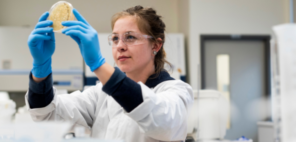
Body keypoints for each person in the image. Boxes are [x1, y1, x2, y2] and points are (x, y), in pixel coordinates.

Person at [26, 5, 193, 142]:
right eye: (115, 38)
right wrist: (41, 68)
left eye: (130, 37)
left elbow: (162, 123)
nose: (120, 46)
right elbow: (47, 114)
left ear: (156, 46)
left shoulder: (176, 92)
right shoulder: (101, 95)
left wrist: (98, 64)